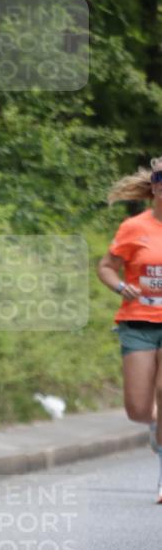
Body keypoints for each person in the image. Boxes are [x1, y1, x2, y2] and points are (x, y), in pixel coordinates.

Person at [97, 156, 162, 502]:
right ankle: (155, 425)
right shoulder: (133, 228)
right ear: (154, 187)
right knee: (138, 408)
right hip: (137, 321)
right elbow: (107, 266)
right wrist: (121, 287)